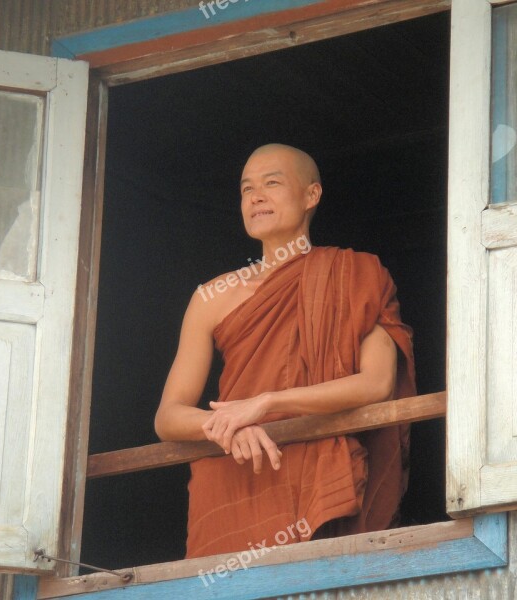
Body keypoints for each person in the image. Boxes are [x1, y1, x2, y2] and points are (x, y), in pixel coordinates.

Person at [155, 143, 417, 559]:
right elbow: (168, 416)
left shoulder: (358, 274)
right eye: (246, 189)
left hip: (317, 474)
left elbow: (377, 383)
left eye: (272, 183)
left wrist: (266, 403)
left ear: (311, 195)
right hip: (234, 479)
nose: (256, 197)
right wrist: (227, 426)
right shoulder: (211, 297)